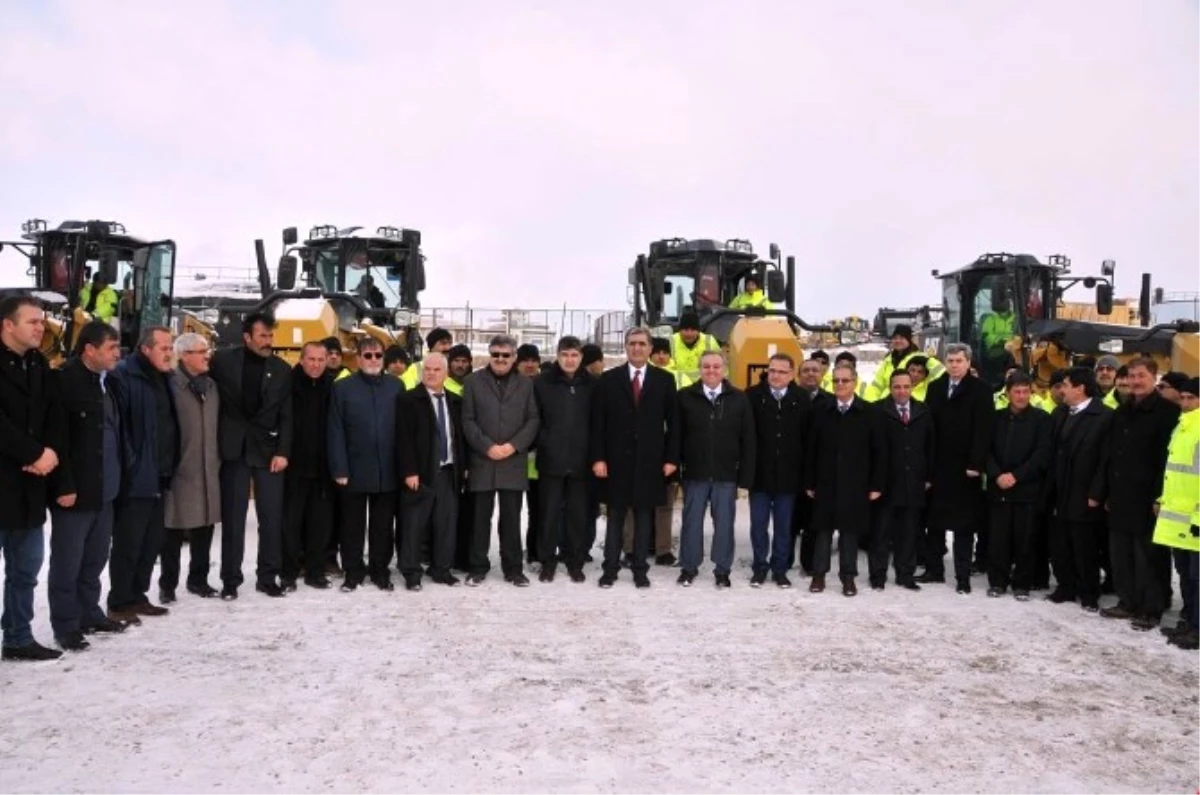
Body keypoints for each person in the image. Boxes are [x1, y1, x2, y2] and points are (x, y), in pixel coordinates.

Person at [47, 321, 125, 651]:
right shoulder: (65, 382)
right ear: (89, 349)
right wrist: (63, 485)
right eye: (111, 348)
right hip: (75, 490)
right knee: (68, 561)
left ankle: (89, 612)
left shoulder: (108, 382)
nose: (117, 354)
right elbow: (56, 440)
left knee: (94, 559)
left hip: (105, 488)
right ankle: (66, 624)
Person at [0, 296, 67, 661]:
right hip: (6, 478)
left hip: (29, 487)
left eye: (41, 322)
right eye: (32, 322)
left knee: (25, 570)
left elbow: (55, 414)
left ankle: (17, 637)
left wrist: (50, 453)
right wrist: (33, 454)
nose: (40, 328)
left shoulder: (39, 365)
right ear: (8, 325)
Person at [209, 312, 293, 600]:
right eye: (263, 336)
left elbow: (287, 416)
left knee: (271, 518)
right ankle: (230, 580)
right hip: (234, 450)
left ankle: (268, 577)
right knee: (233, 519)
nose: (268, 341)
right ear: (247, 337)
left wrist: (283, 451)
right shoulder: (222, 361)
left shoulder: (282, 370)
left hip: (269, 453)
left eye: (271, 336)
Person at [591, 327, 680, 588]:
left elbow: (673, 423)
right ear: (625, 347)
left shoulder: (664, 380)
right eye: (632, 343)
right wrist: (599, 459)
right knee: (616, 517)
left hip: (650, 462)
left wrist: (671, 459)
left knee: (644, 517)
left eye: (642, 344)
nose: (637, 348)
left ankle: (640, 569)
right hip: (616, 461)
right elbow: (598, 424)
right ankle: (610, 568)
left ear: (651, 348)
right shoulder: (609, 380)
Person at [105, 326, 178, 623]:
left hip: (160, 473)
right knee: (128, 543)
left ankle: (138, 595)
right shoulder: (124, 376)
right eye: (163, 347)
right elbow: (120, 429)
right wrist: (132, 466)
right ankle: (120, 601)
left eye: (170, 346)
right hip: (136, 477)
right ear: (145, 349)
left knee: (151, 542)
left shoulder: (164, 377)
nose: (169, 352)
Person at [1102, 357, 1180, 630]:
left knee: (1149, 556)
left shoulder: (1168, 413)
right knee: (1121, 554)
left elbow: (1165, 460)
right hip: (1121, 494)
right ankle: (1127, 600)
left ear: (1154, 377)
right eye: (1131, 376)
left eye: (1141, 376)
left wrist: (1159, 496)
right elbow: (1112, 455)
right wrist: (1108, 492)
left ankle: (1151, 607)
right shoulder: (1123, 411)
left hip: (1148, 497)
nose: (1135, 382)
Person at [461, 334, 540, 587]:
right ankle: (477, 567)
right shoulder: (473, 382)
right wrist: (487, 446)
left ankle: (513, 569)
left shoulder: (526, 385)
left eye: (506, 355)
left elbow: (533, 420)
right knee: (479, 520)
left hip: (512, 462)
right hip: (483, 460)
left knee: (511, 520)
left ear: (514, 357)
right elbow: (467, 420)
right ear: (489, 355)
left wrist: (513, 446)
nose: (500, 359)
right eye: (495, 354)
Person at [804, 363, 885, 596]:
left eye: (845, 380)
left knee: (850, 532)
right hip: (825, 482)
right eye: (836, 381)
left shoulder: (869, 413)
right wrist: (809, 481)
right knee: (823, 531)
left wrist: (876, 485)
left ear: (855, 382)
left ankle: (848, 578)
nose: (840, 384)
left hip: (855, 483)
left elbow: (879, 452)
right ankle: (818, 576)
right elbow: (811, 449)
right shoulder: (821, 411)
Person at [328, 337, 402, 591]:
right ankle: (353, 571)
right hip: (354, 469)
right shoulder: (343, 388)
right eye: (367, 355)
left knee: (383, 526)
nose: (373, 360)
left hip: (388, 470)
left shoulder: (396, 386)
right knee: (352, 526)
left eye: (377, 355)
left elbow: (406, 430)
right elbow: (335, 430)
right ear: (358, 358)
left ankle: (380, 570)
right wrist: (339, 468)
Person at [676, 352, 755, 588]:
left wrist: (745, 476)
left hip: (725, 474)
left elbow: (748, 439)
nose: (711, 370)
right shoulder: (685, 397)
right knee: (691, 523)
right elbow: (677, 436)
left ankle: (722, 570)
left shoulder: (739, 399)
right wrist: (676, 470)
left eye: (716, 366)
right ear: (700, 369)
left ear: (725, 370)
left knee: (724, 524)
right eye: (706, 366)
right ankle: (689, 567)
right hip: (695, 473)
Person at [921, 342, 993, 594]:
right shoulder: (935, 387)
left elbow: (984, 431)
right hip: (939, 466)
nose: (953, 365)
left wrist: (976, 464)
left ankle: (963, 576)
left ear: (968, 362)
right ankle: (934, 570)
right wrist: (927, 467)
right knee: (935, 522)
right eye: (950, 361)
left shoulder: (981, 391)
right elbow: (929, 428)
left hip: (965, 469)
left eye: (958, 361)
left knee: (964, 526)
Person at [159, 332, 221, 602]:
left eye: (207, 350)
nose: (207, 355)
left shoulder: (212, 387)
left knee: (204, 526)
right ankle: (167, 585)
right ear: (184, 356)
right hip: (180, 469)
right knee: (172, 529)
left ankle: (198, 580)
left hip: (208, 468)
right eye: (201, 351)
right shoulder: (170, 387)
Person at [397, 352, 467, 590]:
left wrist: (463, 468)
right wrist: (409, 471)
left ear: (445, 374)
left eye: (437, 370)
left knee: (446, 524)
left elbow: (460, 440)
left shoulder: (455, 401)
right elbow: (402, 439)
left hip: (448, 472)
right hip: (421, 473)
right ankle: (412, 572)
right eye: (427, 369)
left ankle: (441, 569)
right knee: (414, 526)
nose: (431, 373)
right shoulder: (408, 400)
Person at [1046, 367, 1114, 612]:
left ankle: (1089, 592)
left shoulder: (1104, 417)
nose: (1061, 390)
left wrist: (1097, 493)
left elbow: (1106, 460)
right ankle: (1066, 586)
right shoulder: (1059, 413)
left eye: (1065, 385)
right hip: (1058, 490)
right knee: (1060, 543)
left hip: (1084, 493)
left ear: (1080, 388)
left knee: (1085, 545)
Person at [531, 337, 595, 583]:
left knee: (577, 515)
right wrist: (543, 441)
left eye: (574, 355)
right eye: (565, 355)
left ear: (581, 358)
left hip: (581, 461)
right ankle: (547, 560)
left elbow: (597, 422)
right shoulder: (542, 383)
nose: (570, 360)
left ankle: (574, 560)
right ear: (558, 356)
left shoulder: (592, 385)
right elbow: (534, 418)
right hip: (551, 460)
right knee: (548, 513)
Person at [985, 372, 1052, 600]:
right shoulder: (995, 418)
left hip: (1027, 490)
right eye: (1017, 392)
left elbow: (1042, 454)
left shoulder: (1042, 420)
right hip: (999, 488)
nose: (1021, 396)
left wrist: (1017, 476)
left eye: (1025, 391)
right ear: (1008, 393)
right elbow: (986, 450)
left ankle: (1022, 583)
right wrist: (997, 475)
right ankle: (997, 581)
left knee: (1025, 540)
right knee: (998, 539)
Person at [745, 353, 808, 588]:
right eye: (772, 370)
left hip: (789, 477)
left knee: (784, 527)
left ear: (791, 375)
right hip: (760, 476)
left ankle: (780, 569)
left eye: (782, 371)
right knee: (758, 525)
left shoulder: (801, 399)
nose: (776, 375)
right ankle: (759, 567)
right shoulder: (752, 396)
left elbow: (807, 439)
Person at [872, 369, 935, 591]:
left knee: (909, 533)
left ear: (912, 387)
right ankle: (878, 575)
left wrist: (928, 476)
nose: (902, 391)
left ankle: (905, 574)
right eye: (897, 387)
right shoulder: (878, 410)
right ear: (890, 388)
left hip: (914, 482)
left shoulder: (922, 410)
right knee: (881, 532)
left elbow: (930, 446)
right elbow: (872, 450)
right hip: (886, 483)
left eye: (906, 387)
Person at [1152, 377, 1200, 650]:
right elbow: (1175, 474)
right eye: (1182, 398)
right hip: (1180, 515)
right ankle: (1190, 620)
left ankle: (1197, 627)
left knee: (1198, 576)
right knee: (1185, 572)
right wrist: (1163, 499)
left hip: (1196, 518)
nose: (1185, 403)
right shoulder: (1181, 428)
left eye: (1191, 399)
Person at [283, 342, 335, 590]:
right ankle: (289, 571)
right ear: (302, 359)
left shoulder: (332, 387)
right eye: (311, 359)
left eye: (320, 360)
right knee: (291, 523)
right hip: (294, 466)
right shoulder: (289, 384)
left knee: (320, 523)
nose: (315, 365)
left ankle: (315, 571)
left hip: (323, 468)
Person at [516, 344, 543, 563]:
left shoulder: (544, 386)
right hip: (513, 455)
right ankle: (513, 553)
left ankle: (535, 551)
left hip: (538, 459)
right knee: (511, 510)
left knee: (538, 507)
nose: (530, 364)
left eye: (534, 360)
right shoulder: (511, 385)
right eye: (525, 360)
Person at [865, 325, 944, 402]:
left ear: (909, 340)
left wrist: (928, 361)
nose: (898, 341)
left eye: (902, 338)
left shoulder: (919, 358)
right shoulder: (888, 360)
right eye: (895, 338)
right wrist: (871, 404)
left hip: (912, 405)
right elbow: (877, 385)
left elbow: (942, 372)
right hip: (887, 406)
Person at [669, 311, 719, 384]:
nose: (689, 334)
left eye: (693, 330)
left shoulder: (709, 341)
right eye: (685, 330)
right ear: (679, 330)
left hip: (704, 388)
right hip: (678, 389)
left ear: (698, 331)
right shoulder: (671, 341)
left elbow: (720, 366)